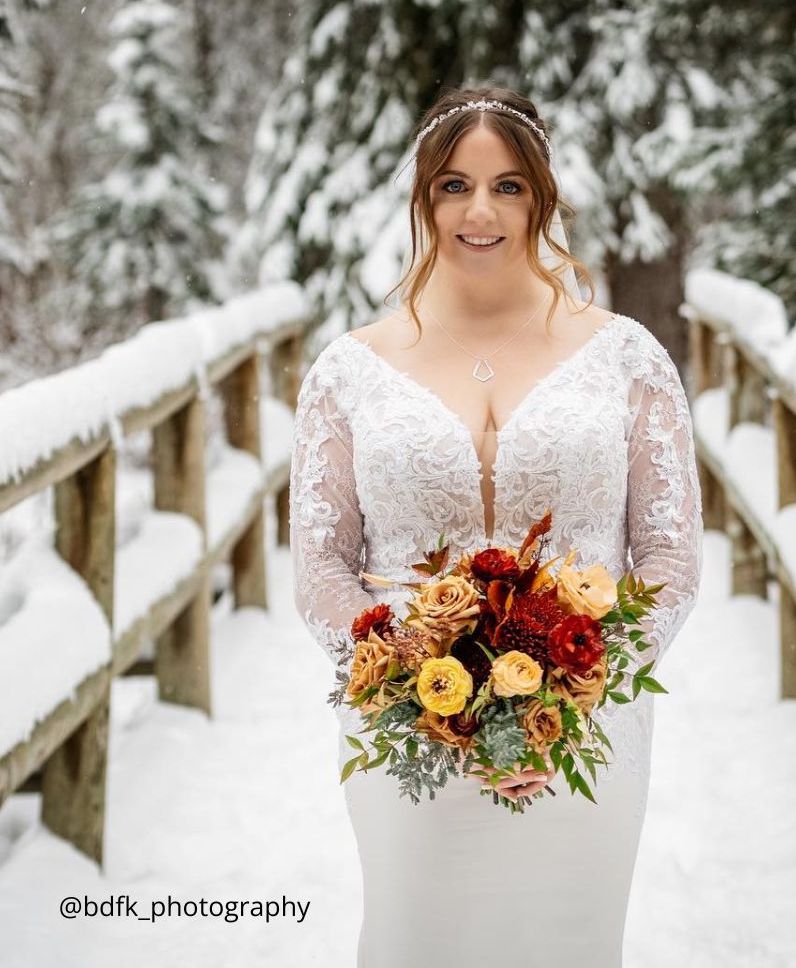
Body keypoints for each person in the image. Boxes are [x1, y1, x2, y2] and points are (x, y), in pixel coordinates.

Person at [289, 85, 703, 967]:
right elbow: (323, 565)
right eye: (454, 185)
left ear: (543, 198)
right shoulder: (347, 371)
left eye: (508, 186)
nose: (480, 210)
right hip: (407, 733)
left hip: (584, 740)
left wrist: (577, 693)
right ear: (422, 197)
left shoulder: (626, 356)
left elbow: (668, 554)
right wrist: (411, 681)